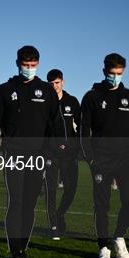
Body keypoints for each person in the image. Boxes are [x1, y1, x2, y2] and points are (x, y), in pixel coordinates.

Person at [0, 45, 59, 258]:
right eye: (25, 65)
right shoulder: (5, 90)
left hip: (38, 157)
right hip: (13, 154)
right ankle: (15, 251)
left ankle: (23, 248)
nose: (29, 69)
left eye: (33, 65)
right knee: (15, 202)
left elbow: (54, 124)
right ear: (17, 64)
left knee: (29, 205)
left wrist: (52, 152)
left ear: (38, 65)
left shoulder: (46, 91)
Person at [79, 53, 129, 258]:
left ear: (123, 72)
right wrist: (90, 158)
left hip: (127, 161)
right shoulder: (91, 97)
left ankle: (119, 236)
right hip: (101, 161)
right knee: (102, 206)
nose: (115, 77)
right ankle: (103, 246)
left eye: (119, 73)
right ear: (104, 71)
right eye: (111, 73)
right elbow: (83, 131)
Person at [44, 69, 81, 240]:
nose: (54, 86)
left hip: (70, 155)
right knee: (50, 191)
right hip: (51, 154)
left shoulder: (72, 101)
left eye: (57, 83)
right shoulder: (44, 103)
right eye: (51, 84)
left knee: (71, 189)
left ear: (62, 82)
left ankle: (60, 214)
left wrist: (78, 145)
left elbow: (81, 125)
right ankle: (53, 226)